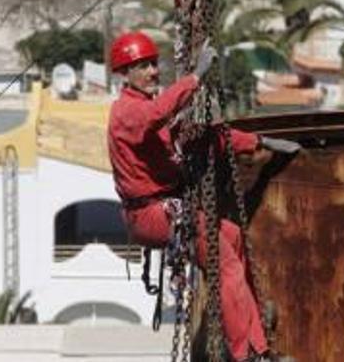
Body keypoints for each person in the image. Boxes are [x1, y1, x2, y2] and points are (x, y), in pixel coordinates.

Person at [107, 31, 299, 362]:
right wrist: (194, 78)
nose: (153, 71)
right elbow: (155, 117)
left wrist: (259, 142)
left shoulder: (152, 113)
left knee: (233, 237)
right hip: (150, 213)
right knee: (223, 262)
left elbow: (206, 138)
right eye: (143, 66)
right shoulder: (126, 113)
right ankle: (248, 354)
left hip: (162, 209)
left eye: (153, 64)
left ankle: (255, 342)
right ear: (125, 74)